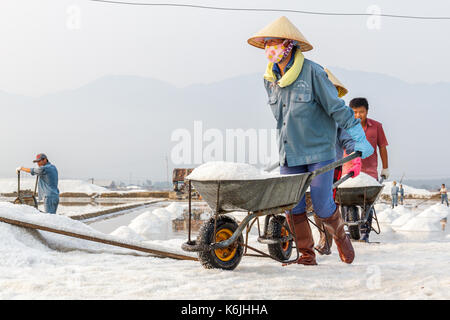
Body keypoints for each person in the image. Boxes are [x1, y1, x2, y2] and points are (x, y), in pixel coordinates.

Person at [248, 16, 374, 265]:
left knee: (321, 204)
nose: (267, 48)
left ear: (288, 44)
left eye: (272, 42)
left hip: (319, 151)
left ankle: (341, 237)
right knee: (291, 205)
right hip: (290, 153)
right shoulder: (269, 80)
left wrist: (358, 138)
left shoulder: (313, 73)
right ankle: (306, 254)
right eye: (265, 44)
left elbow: (337, 109)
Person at [314, 68, 358, 256]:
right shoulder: (311, 115)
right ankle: (315, 240)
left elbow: (348, 139)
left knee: (325, 203)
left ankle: (327, 239)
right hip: (309, 163)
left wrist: (355, 152)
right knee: (311, 203)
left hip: (332, 166)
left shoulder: (339, 117)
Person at [344, 97, 390, 241]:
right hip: (348, 171)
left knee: (368, 203)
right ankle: (347, 228)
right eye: (355, 112)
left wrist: (385, 168)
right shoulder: (344, 126)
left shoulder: (376, 126)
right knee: (345, 201)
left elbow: (382, 147)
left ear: (367, 112)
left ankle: (365, 232)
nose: (358, 115)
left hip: (369, 172)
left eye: (361, 112)